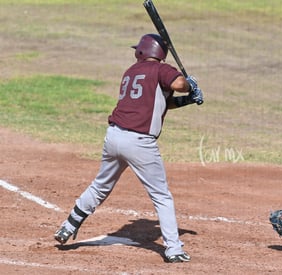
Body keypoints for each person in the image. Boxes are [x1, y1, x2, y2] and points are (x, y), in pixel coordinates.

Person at [54, 33, 204, 263]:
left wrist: (188, 99)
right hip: (139, 142)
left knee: (100, 185)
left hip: (114, 137)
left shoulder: (131, 71)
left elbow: (160, 102)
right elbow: (179, 84)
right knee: (162, 196)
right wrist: (189, 83)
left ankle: (68, 225)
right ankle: (173, 249)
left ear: (143, 51)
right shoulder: (161, 70)